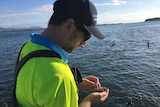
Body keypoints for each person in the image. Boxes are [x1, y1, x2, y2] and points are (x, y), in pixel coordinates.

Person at [14, 0, 109, 107]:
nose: (84, 43)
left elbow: (34, 88)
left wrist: (74, 84)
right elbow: (54, 78)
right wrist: (89, 101)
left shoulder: (28, 47)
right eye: (86, 35)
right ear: (69, 25)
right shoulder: (59, 76)